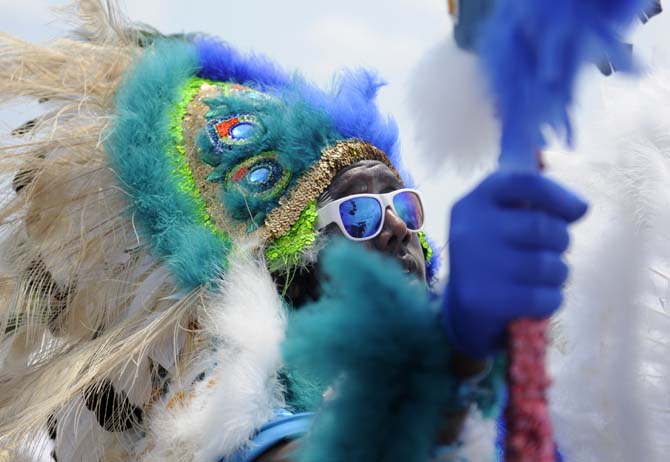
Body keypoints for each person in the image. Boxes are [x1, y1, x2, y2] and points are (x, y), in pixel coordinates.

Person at [0, 2, 585, 461]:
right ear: (293, 269)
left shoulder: (484, 377)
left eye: (404, 206)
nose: (397, 231)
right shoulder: (234, 394)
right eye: (358, 217)